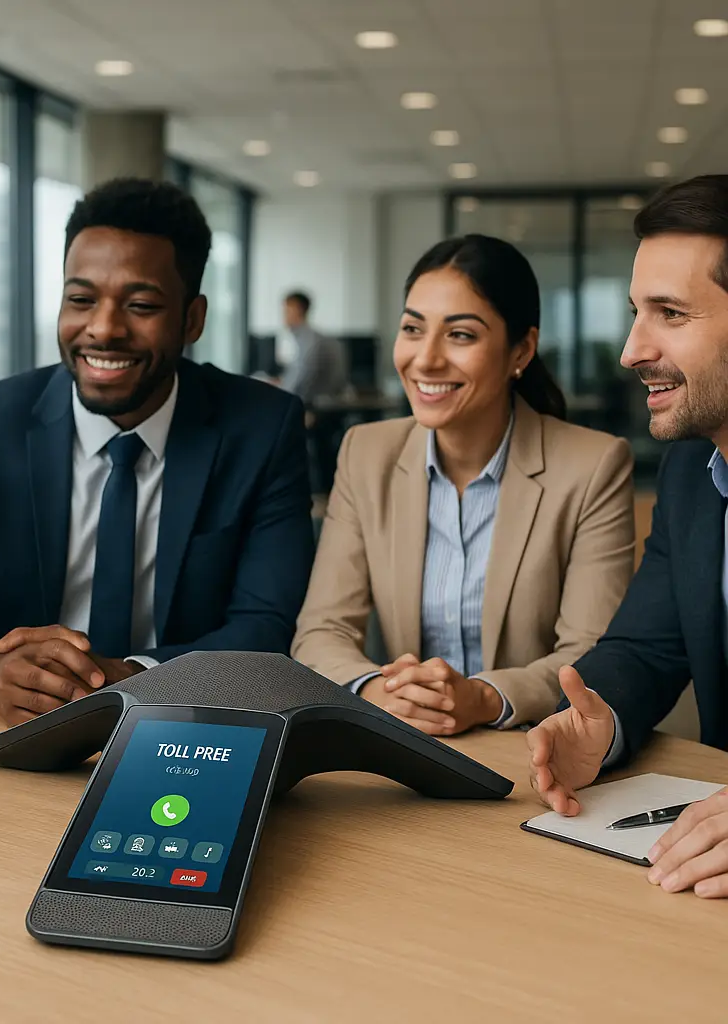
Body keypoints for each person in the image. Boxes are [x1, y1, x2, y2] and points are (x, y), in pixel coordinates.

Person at [0, 178, 314, 724]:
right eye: (81, 299)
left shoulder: (262, 428)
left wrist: (128, 676)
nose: (102, 328)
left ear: (192, 319)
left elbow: (264, 628)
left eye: (140, 305)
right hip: (3, 737)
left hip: (184, 737)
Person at [292, 234, 635, 735]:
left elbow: (593, 649)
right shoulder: (365, 453)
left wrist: (482, 697)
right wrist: (377, 691)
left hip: (534, 747)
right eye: (413, 328)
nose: (426, 359)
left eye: (461, 335)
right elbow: (322, 629)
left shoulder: (593, 465)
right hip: (405, 745)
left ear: (521, 349)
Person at [527, 174, 728, 899]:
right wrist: (597, 725)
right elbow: (648, 646)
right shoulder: (689, 475)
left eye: (669, 313)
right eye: (636, 312)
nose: (630, 349)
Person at [277, 292, 347, 404]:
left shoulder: (309, 340)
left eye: (286, 310)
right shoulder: (306, 337)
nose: (283, 315)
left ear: (297, 310)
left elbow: (303, 376)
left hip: (312, 406)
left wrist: (279, 392)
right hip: (313, 402)